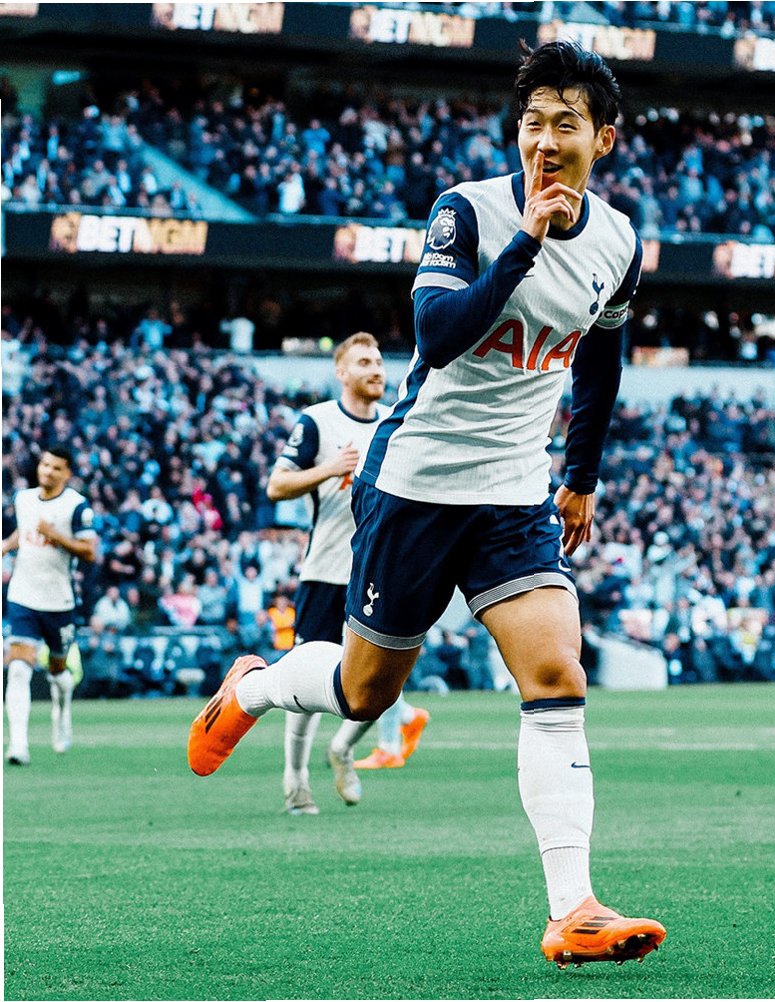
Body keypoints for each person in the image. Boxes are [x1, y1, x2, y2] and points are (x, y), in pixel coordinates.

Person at [189, 40, 666, 967]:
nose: (544, 140)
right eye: (532, 123)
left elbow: (603, 359)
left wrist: (580, 477)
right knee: (366, 690)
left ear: (602, 139)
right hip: (414, 484)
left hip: (515, 494)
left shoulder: (618, 240)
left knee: (557, 675)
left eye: (565, 124)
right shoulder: (470, 211)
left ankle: (573, 909)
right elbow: (438, 333)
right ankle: (252, 686)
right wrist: (526, 244)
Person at [265, 331, 428, 815]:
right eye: (363, 362)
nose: (375, 369)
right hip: (325, 571)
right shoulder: (317, 421)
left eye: (378, 362)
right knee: (304, 679)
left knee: (381, 681)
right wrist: (330, 468)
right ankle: (295, 779)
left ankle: (342, 749)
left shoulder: (398, 424)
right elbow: (277, 485)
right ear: (341, 372)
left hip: (378, 572)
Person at [3, 446, 97, 763]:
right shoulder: (24, 499)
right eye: (45, 465)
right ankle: (18, 745)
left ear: (67, 474)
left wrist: (55, 535)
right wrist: (6, 545)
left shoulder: (77, 507)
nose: (48, 471)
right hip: (23, 596)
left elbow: (90, 551)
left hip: (59, 602)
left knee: (58, 672)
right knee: (18, 669)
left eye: (56, 468)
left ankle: (62, 711)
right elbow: (24, 530)